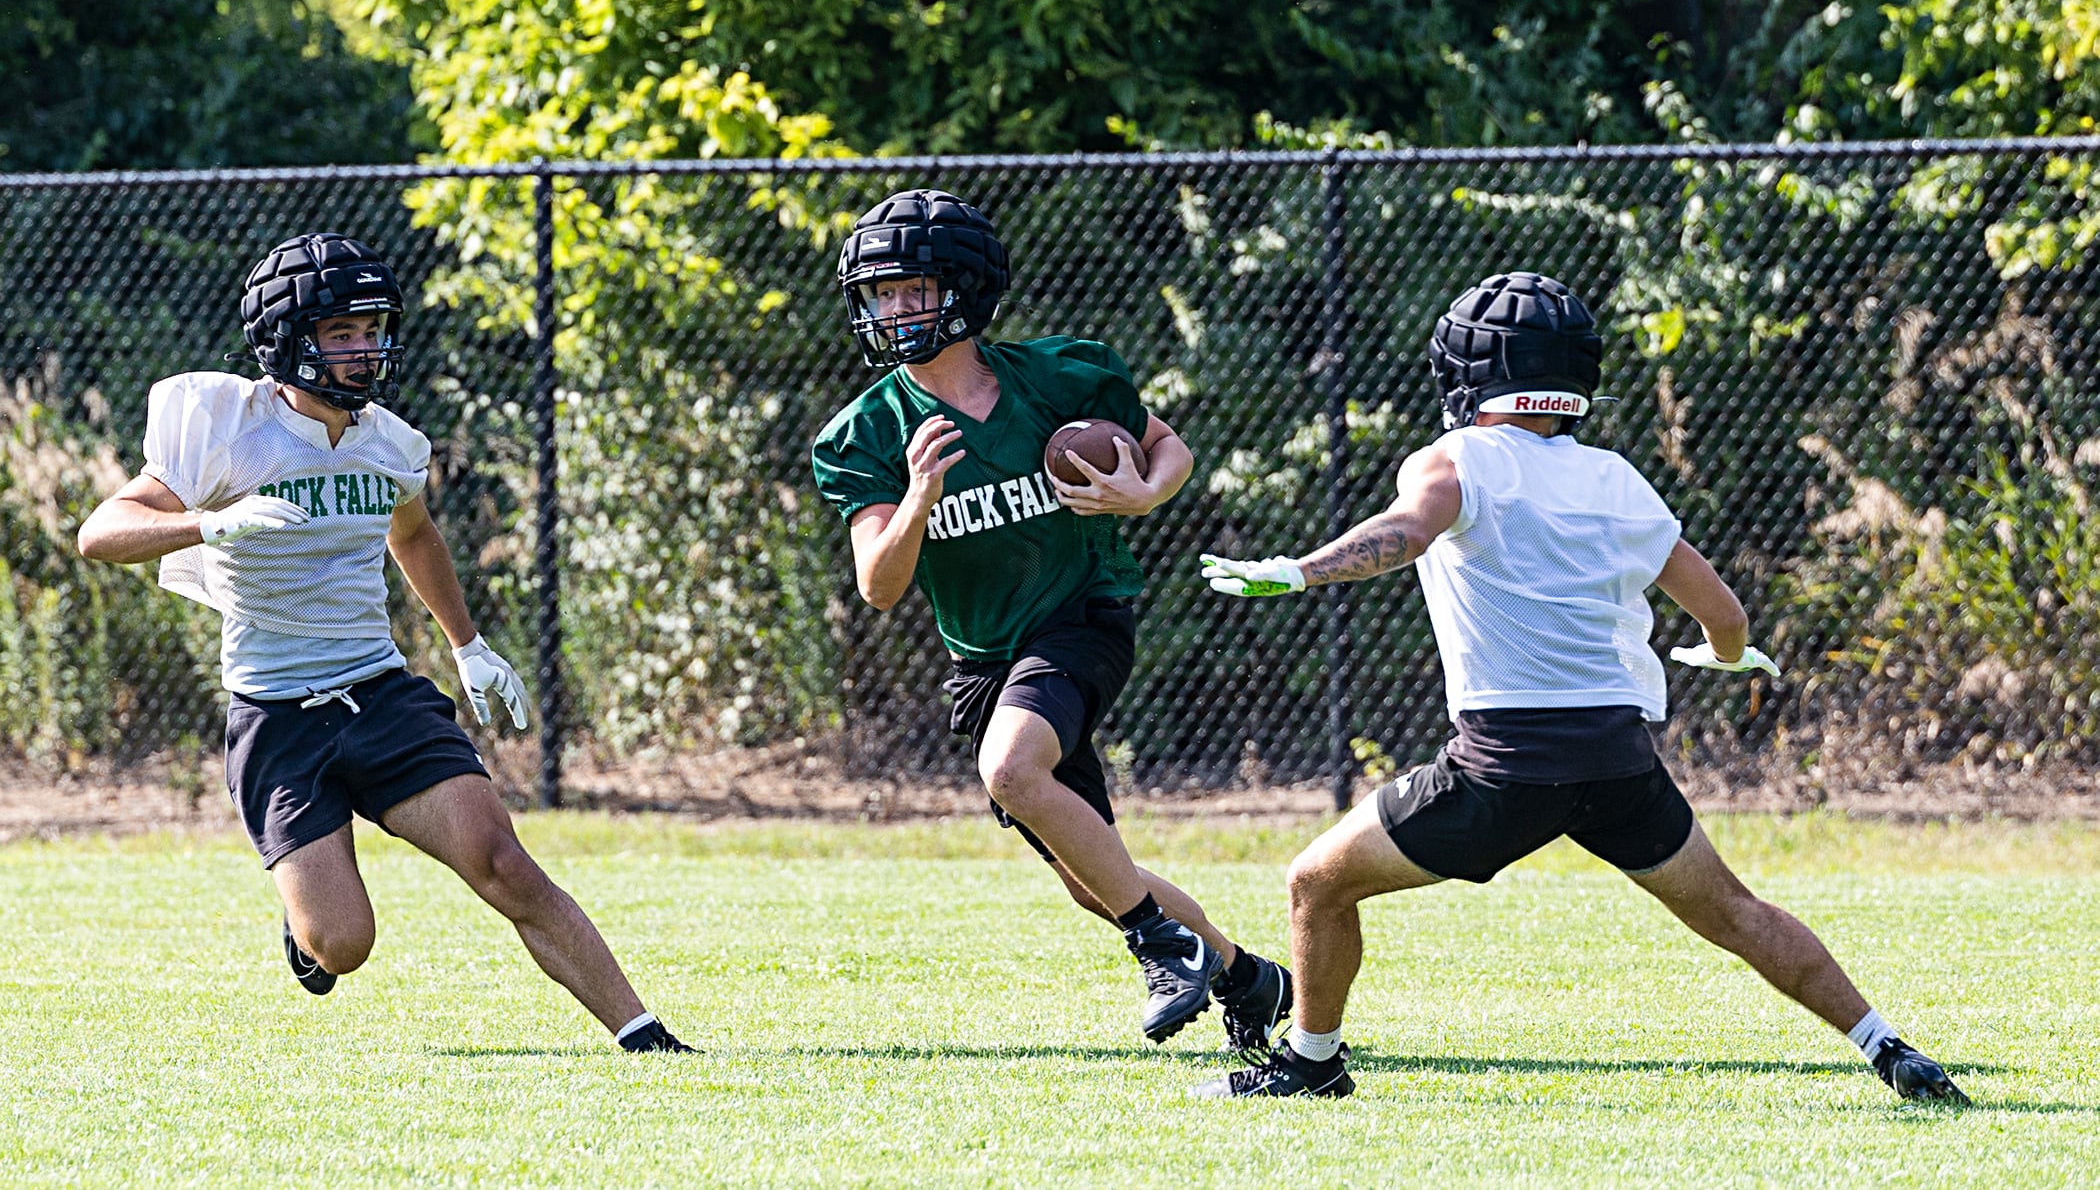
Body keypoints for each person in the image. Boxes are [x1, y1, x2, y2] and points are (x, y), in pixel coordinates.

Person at [1194, 272, 1967, 1103]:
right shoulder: (1615, 477)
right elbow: (1725, 613)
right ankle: (1889, 1049)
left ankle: (1311, 1063)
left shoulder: (1454, 459)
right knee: (1738, 913)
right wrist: (1727, 656)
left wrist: (1295, 572)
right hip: (1617, 763)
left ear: (1467, 369)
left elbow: (1405, 533)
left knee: (1316, 881)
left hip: (1505, 767)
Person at [76, 232, 690, 1054]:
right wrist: (210, 521)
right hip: (277, 715)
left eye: (371, 329)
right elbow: (101, 531)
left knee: (502, 860)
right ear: (286, 337)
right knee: (343, 943)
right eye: (340, 333)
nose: (364, 350)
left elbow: (416, 533)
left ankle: (644, 1034)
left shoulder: (389, 443)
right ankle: (306, 930)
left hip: (379, 692)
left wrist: (469, 645)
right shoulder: (227, 427)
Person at [810, 189, 1292, 1052]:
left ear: (965, 287)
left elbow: (1166, 443)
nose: (895, 308)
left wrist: (1144, 490)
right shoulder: (866, 434)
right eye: (882, 292)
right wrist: (917, 495)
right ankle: (1247, 977)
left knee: (1010, 765)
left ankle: (1158, 948)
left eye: (914, 288)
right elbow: (879, 587)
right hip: (984, 658)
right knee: (1090, 873)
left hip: (1081, 617)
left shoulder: (1060, 376)